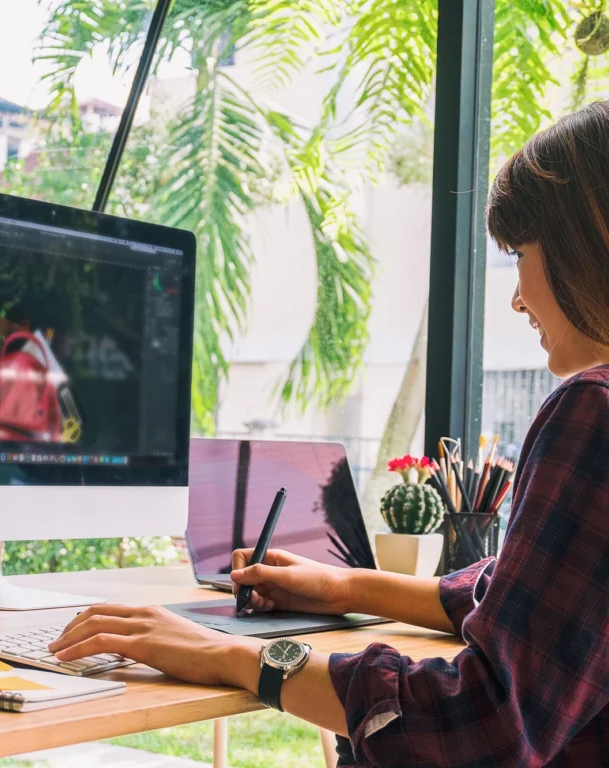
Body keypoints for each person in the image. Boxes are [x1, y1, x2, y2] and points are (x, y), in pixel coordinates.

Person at [50, 101, 609, 766]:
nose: (515, 298)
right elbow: (533, 605)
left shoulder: (593, 411)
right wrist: (346, 587)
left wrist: (231, 654)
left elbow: (484, 724)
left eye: (518, 253)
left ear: (587, 240)